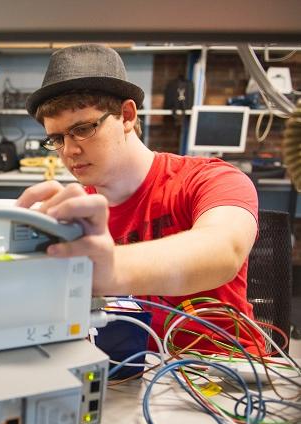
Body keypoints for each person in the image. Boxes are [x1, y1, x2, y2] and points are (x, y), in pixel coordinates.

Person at [16, 44, 261, 352]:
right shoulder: (78, 213)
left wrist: (111, 270)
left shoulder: (209, 180)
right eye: (57, 138)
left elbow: (224, 251)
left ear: (127, 115)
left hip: (227, 377)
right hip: (131, 376)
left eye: (82, 129)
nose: (68, 150)